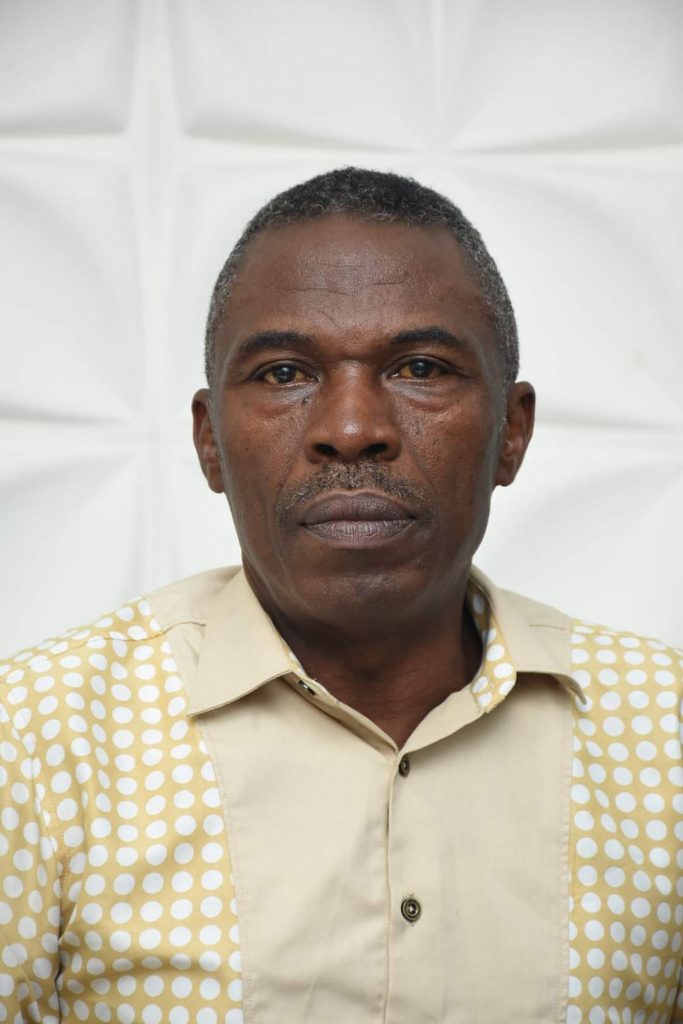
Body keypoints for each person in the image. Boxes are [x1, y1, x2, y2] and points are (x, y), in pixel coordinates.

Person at [0, 168, 680, 1024]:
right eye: (284, 373)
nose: (352, 429)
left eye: (419, 368)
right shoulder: (33, 741)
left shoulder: (666, 730)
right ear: (209, 443)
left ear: (511, 432)